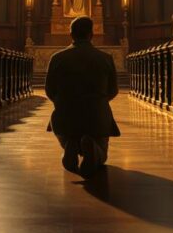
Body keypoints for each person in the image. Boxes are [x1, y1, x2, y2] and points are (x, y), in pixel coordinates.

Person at [45, 16, 120, 178]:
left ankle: (69, 144)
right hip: (97, 117)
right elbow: (113, 90)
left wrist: (65, 102)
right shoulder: (105, 58)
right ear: (91, 34)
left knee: (63, 125)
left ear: (71, 35)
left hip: (65, 117)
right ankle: (93, 148)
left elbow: (50, 91)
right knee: (102, 154)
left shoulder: (57, 58)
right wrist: (97, 101)